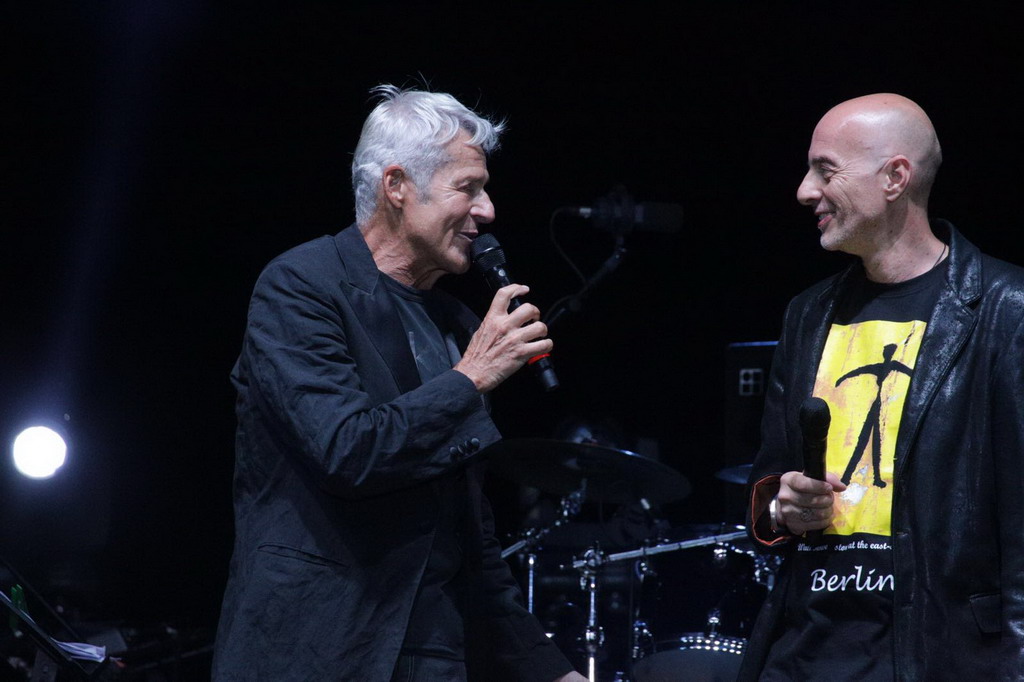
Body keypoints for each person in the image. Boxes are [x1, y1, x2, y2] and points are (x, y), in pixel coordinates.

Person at [211, 84, 587, 682]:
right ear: (397, 186)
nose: (488, 210)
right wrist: (470, 377)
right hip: (318, 651)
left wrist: (553, 672)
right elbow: (347, 450)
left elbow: (472, 537)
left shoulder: (455, 323)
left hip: (435, 653)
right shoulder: (300, 286)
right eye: (468, 187)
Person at [738, 93, 1024, 680]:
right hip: (803, 651)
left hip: (934, 654)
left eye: (826, 171)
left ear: (895, 177)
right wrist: (784, 506)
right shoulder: (808, 313)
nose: (805, 191)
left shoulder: (1007, 309)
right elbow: (765, 496)